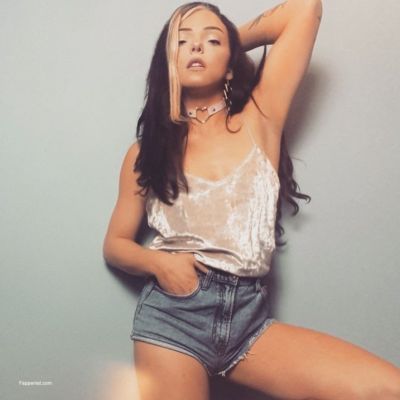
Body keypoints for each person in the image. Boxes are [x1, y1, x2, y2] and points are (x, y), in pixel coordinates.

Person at [102, 1, 400, 399]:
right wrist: (159, 263)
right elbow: (115, 245)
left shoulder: (261, 118)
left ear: (230, 65)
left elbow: (305, 9)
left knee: (387, 388)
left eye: (210, 41)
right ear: (168, 62)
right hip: (173, 317)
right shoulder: (146, 151)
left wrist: (228, 40)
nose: (196, 47)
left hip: (249, 321)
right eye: (182, 41)